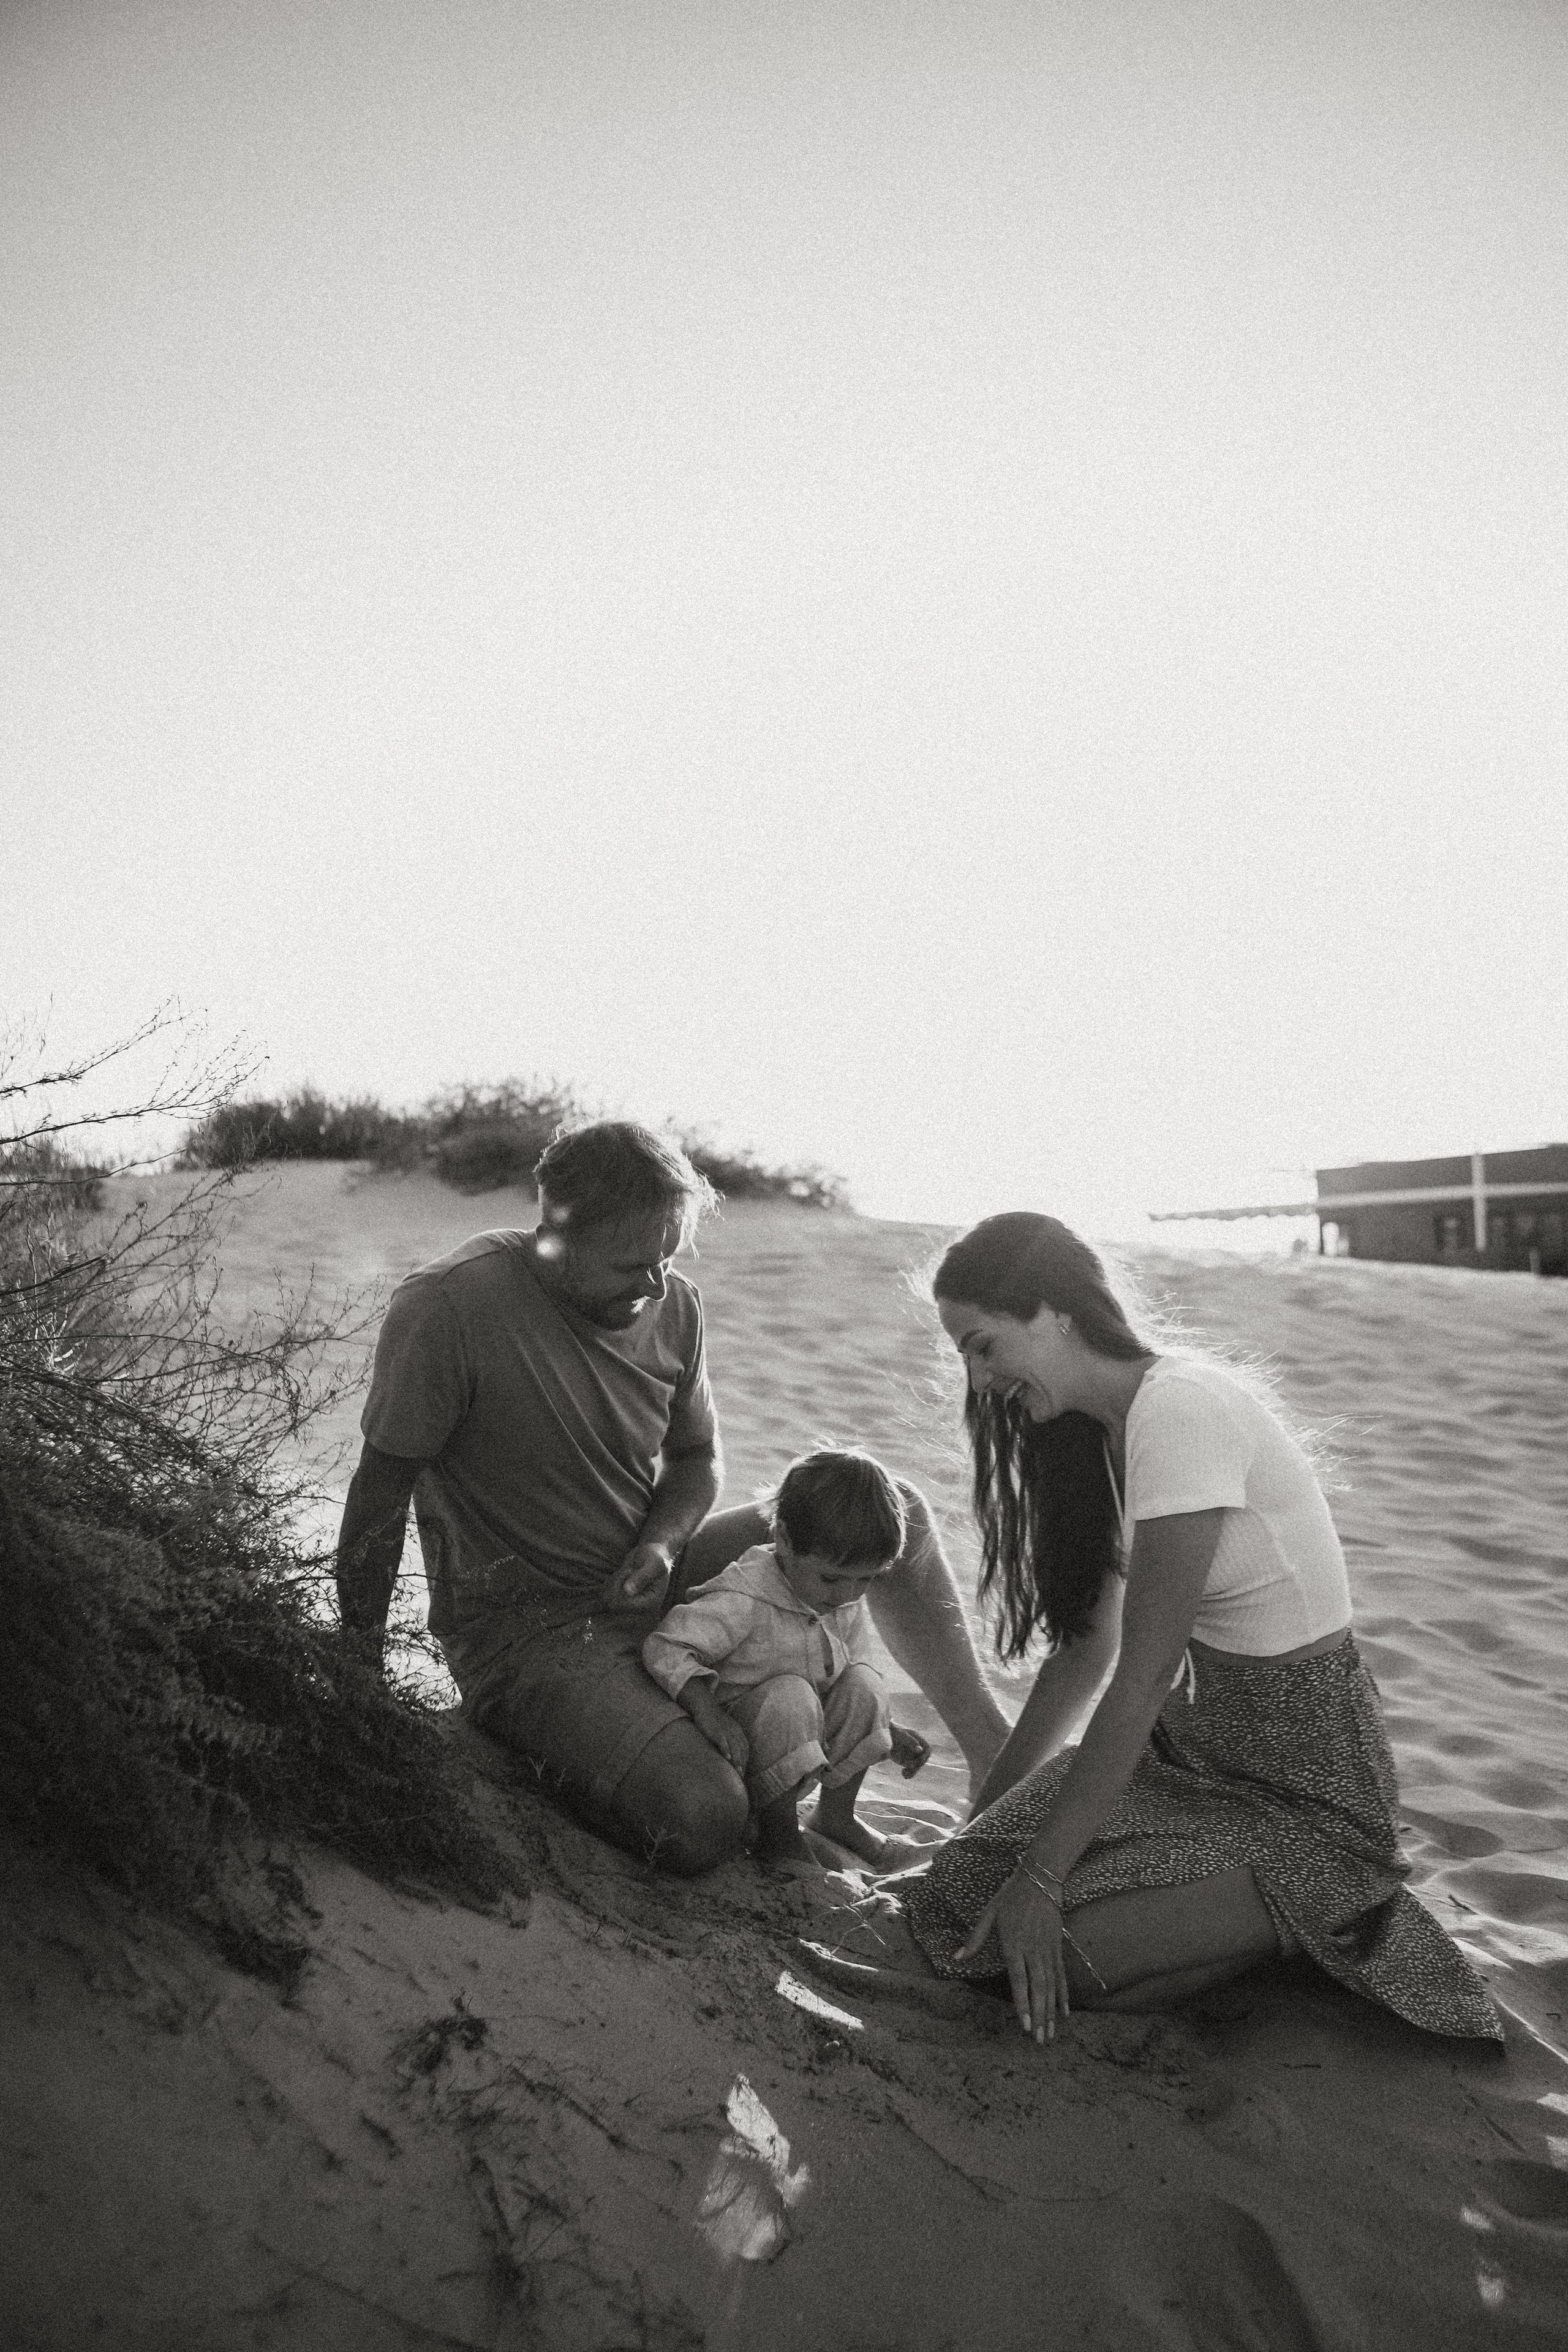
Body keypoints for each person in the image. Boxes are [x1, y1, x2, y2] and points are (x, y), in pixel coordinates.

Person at [335, 1121, 1008, 1875]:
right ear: (555, 1232)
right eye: (632, 1264)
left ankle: (997, 1761)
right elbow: (377, 1499)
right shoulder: (448, 1308)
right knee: (704, 1820)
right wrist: (356, 1685)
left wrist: (661, 1542)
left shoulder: (672, 1304)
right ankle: (584, 1749)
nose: (655, 1286)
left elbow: (696, 1456)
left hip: (657, 1571)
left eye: (666, 1259)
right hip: (534, 1635)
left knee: (896, 1510)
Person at [900, 1212, 1501, 2046]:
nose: (979, 1377)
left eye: (982, 1345)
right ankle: (1214, 1915)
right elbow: (1084, 1655)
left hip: (1302, 1797)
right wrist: (982, 1826)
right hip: (1183, 1764)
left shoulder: (1180, 1412)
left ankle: (1296, 1923)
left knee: (1059, 1955)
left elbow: (1141, 1680)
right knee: (958, 1893)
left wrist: (1040, 1875)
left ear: (1052, 1312)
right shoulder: (1092, 1436)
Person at [643, 1449, 914, 1867]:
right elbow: (666, 1646)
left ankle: (836, 1816)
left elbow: (843, 1667)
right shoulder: (746, 1595)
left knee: (865, 1683)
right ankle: (779, 1830)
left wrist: (888, 1728)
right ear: (785, 1540)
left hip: (805, 1742)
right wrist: (707, 1713)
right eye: (833, 1578)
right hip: (739, 1748)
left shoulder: (838, 1598)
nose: (848, 1595)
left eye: (867, 1580)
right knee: (792, 1695)